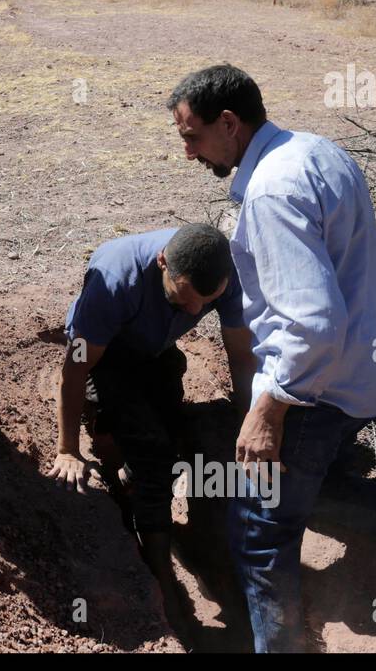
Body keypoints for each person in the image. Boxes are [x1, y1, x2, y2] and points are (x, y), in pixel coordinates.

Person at [169, 64, 376, 652]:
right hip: (357, 373)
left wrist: (270, 406)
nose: (188, 153)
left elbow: (312, 323)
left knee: (260, 531)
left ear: (229, 124)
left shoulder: (270, 193)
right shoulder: (317, 152)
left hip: (311, 388)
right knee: (323, 485)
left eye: (192, 136)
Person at [48, 223, 255, 642]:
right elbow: (75, 370)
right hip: (106, 354)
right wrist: (68, 449)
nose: (196, 312)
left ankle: (137, 486)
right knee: (150, 450)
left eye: (206, 303)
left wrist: (250, 419)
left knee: (173, 437)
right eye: (185, 299)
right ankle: (162, 579)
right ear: (163, 262)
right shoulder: (115, 279)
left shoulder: (224, 273)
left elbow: (239, 352)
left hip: (156, 350)